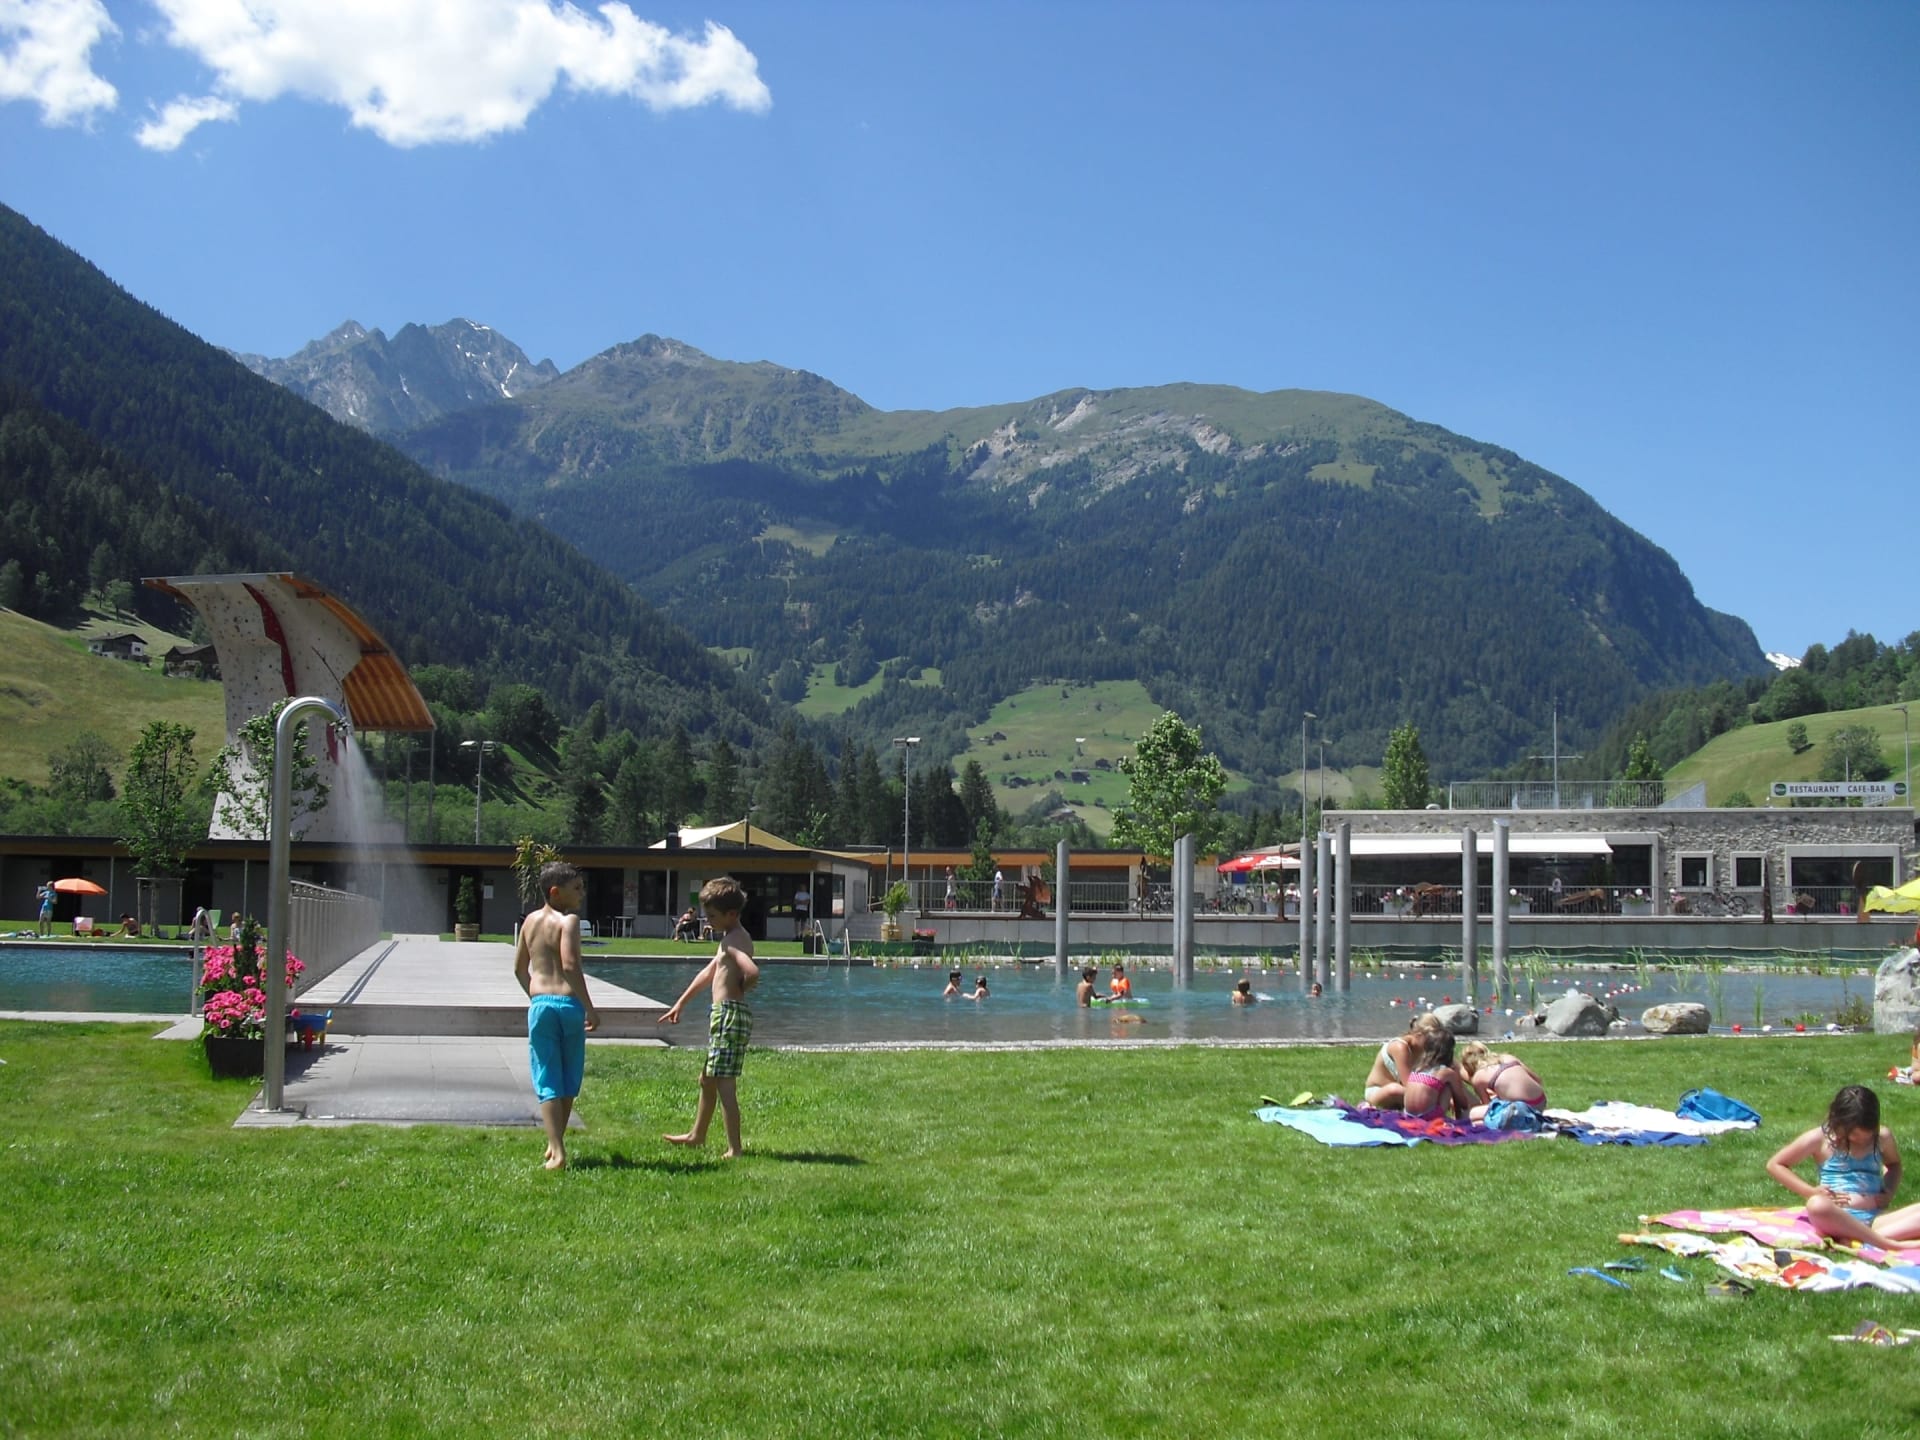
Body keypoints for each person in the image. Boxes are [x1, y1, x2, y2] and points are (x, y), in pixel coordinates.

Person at [660, 876, 760, 1158]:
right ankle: (697, 1136)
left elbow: (752, 971)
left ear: (732, 914)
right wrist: (680, 1003)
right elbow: (708, 973)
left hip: (729, 1014)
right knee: (707, 1079)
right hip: (725, 1014)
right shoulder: (729, 939)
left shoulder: (734, 942)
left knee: (725, 1083)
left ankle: (734, 1149)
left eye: (713, 916)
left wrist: (740, 988)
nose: (708, 920)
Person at [513, 860, 600, 1171]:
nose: (582, 894)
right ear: (555, 892)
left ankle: (555, 1147)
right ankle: (558, 1148)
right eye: (576, 888)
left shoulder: (529, 922)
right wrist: (590, 1007)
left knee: (547, 1074)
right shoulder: (569, 922)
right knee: (568, 1076)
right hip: (568, 1004)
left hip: (540, 1005)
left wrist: (536, 997)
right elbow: (570, 966)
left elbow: (519, 969)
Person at [1766, 1084, 1920, 1247]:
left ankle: (1867, 1238)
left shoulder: (1882, 1137)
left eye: (1868, 1136)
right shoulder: (1820, 1139)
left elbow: (1894, 1165)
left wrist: (1888, 1191)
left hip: (1876, 1219)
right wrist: (1810, 1191)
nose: (1862, 1140)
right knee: (1816, 1205)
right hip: (1838, 1217)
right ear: (1838, 1123)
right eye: (1855, 1135)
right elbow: (1775, 1164)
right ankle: (1890, 1244)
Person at [1362, 1012, 1448, 1109]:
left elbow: (1449, 1069)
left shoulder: (1426, 1049)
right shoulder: (1400, 1047)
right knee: (1394, 1090)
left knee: (1446, 1084)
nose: (1434, 1043)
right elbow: (1408, 1084)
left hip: (1408, 1091)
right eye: (1431, 1039)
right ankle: (1432, 1104)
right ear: (1419, 1035)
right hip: (1380, 1091)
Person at [1457, 1041, 1547, 1129]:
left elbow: (1490, 1108)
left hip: (1521, 1110)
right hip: (1541, 1102)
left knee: (1466, 1115)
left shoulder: (1478, 1077)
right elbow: (1537, 1080)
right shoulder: (1508, 1058)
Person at [1400, 1028, 1474, 1120]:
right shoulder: (1446, 1072)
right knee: (1448, 1085)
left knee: (1436, 1086)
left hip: (1408, 1115)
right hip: (1428, 1116)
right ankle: (1458, 1117)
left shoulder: (1417, 1068)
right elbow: (1463, 1102)